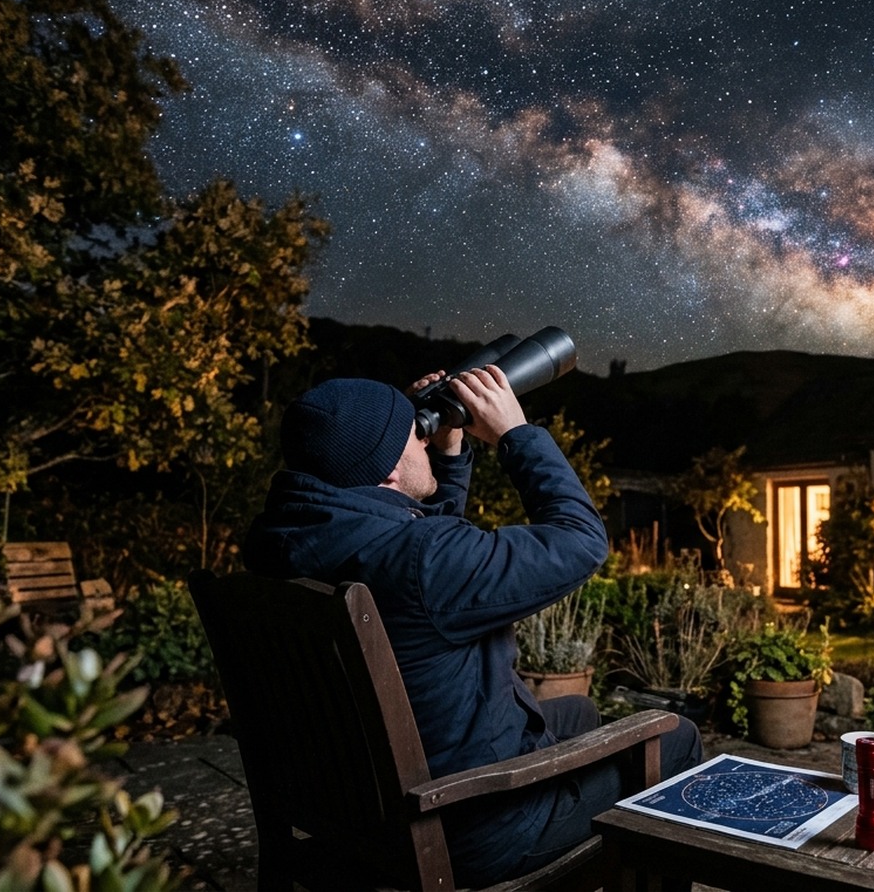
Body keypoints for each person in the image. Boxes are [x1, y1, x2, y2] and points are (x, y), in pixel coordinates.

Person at [243, 365, 703, 885]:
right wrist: (515, 434)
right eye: (412, 436)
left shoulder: (287, 539)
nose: (422, 440)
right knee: (676, 737)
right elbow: (580, 542)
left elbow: (420, 554)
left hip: (359, 804)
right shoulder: (422, 562)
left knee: (578, 711)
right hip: (472, 824)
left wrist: (449, 452)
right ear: (389, 474)